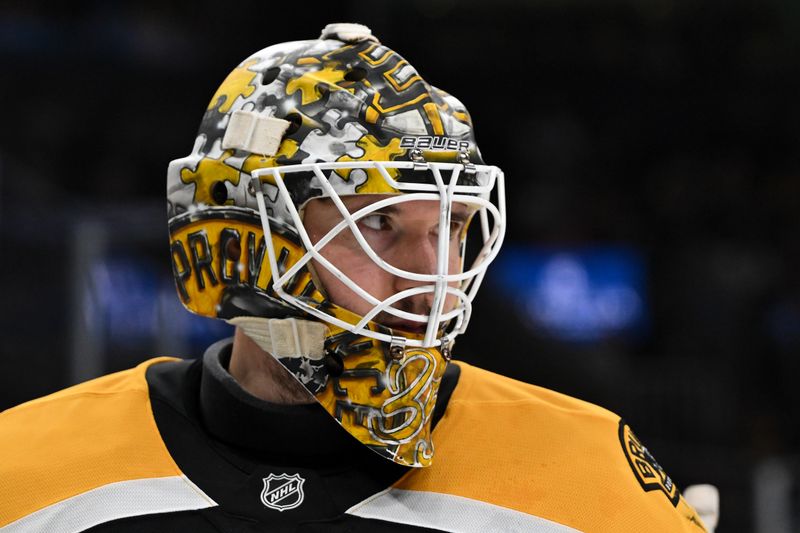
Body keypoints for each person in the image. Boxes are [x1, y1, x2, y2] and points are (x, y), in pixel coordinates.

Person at [0, 23, 712, 532]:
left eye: (453, 228)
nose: (434, 278)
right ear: (243, 236)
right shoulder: (25, 471)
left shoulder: (589, 475)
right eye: (377, 224)